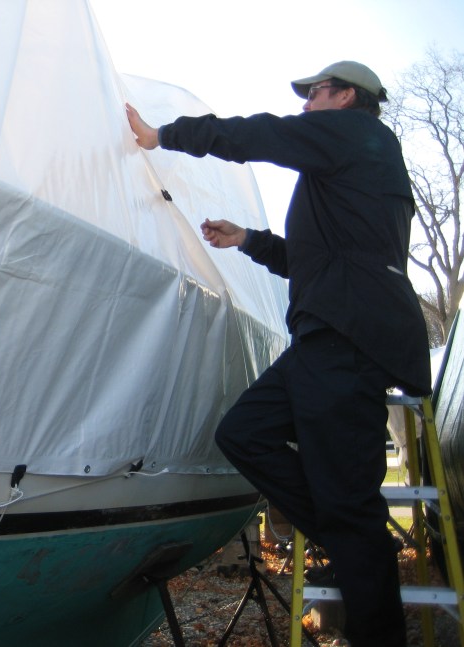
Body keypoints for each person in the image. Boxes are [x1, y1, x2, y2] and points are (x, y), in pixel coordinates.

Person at [126, 61, 431, 647]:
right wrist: (247, 240)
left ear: (347, 97)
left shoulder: (357, 134)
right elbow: (313, 261)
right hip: (325, 338)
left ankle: (363, 567)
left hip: (348, 341)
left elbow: (262, 134)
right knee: (244, 433)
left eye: (315, 93)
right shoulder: (352, 166)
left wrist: (163, 135)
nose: (306, 104)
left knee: (351, 510)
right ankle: (351, 537)